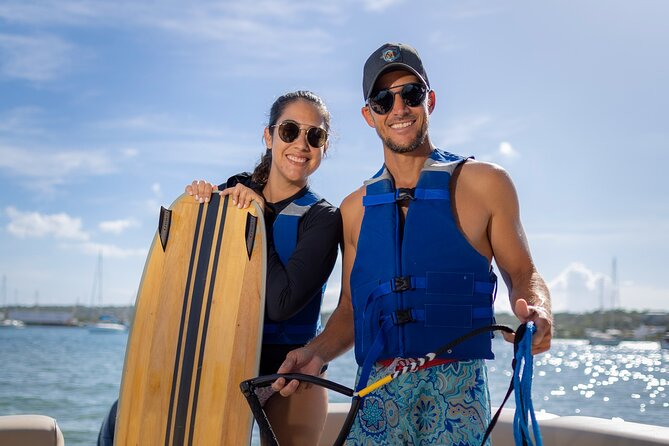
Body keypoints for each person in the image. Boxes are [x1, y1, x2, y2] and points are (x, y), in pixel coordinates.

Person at [272, 43, 553, 445]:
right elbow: (352, 310)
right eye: (383, 100)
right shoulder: (354, 210)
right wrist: (314, 352)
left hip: (459, 396)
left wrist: (538, 309)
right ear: (369, 115)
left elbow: (523, 273)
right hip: (377, 397)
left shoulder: (487, 184)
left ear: (430, 100)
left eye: (411, 94)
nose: (399, 108)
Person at [97, 90, 341, 446]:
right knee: (122, 417)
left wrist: (255, 222)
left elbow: (282, 304)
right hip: (220, 355)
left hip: (288, 371)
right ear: (268, 135)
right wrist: (196, 208)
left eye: (314, 136)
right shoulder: (232, 193)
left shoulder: (322, 218)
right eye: (290, 130)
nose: (301, 143)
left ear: (323, 147)